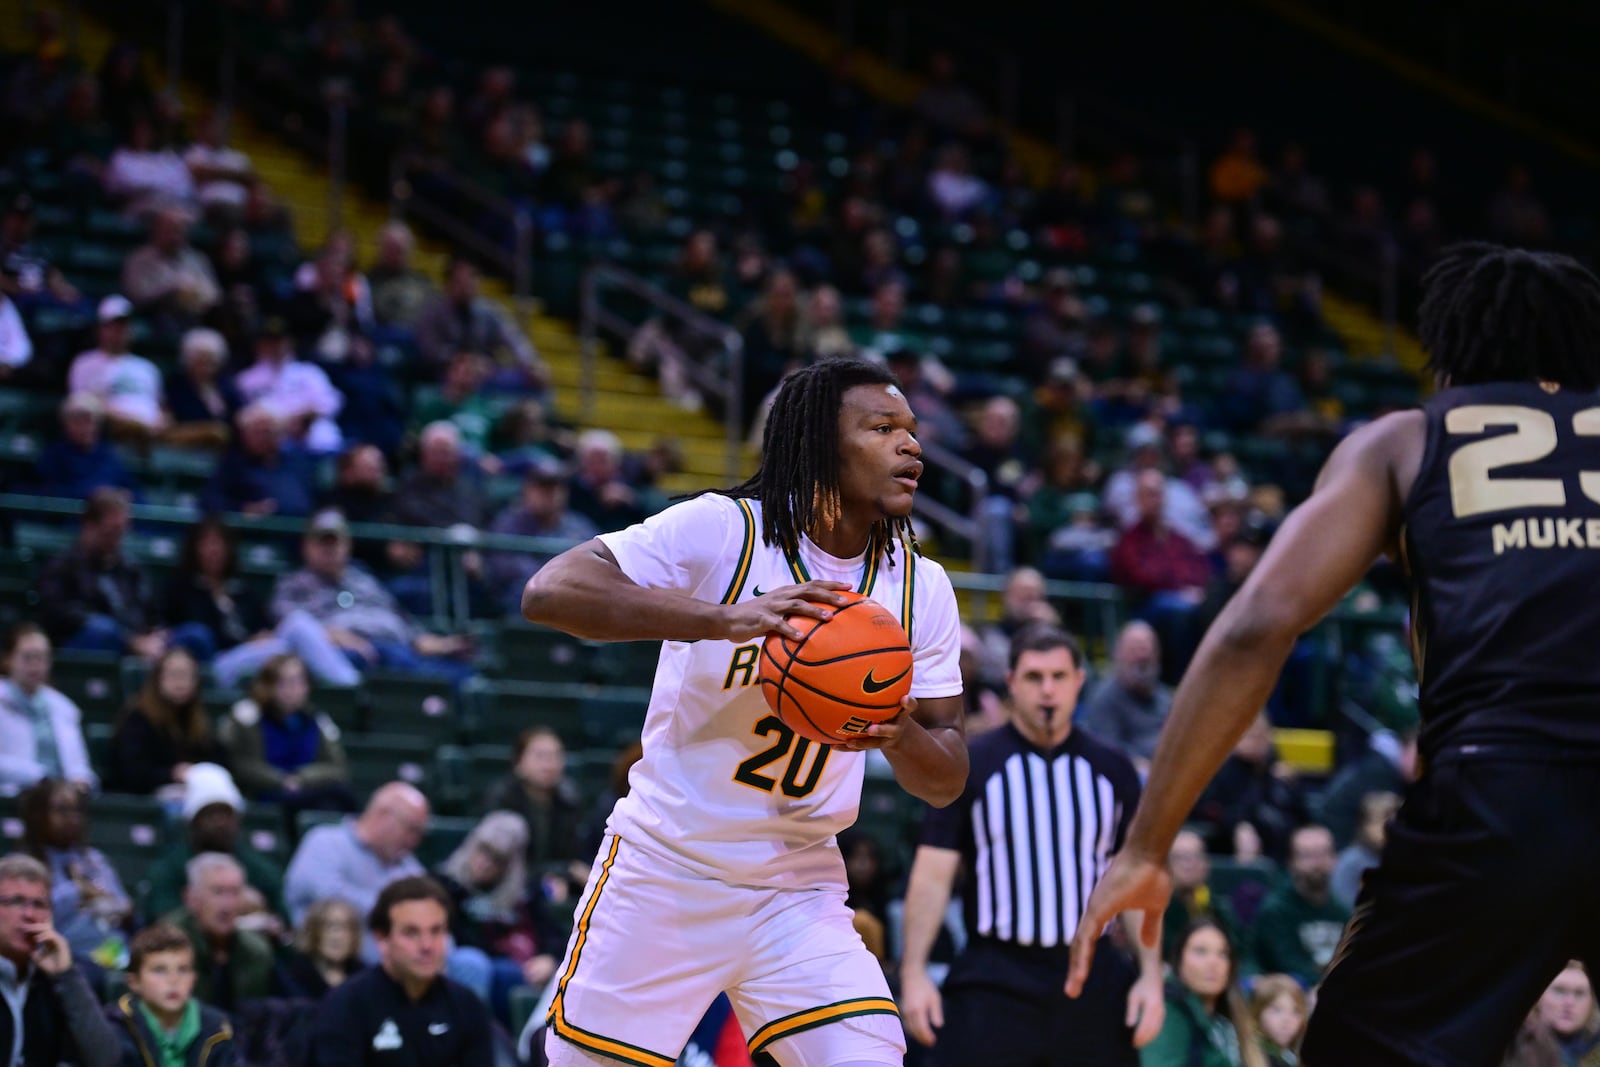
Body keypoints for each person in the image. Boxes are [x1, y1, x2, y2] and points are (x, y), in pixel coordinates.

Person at [1069, 243, 1600, 1064]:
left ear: (1450, 358)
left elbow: (1257, 625)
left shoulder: (1408, 438)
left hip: (1501, 791)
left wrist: (1145, 845)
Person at [522, 358, 967, 1066]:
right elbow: (550, 591)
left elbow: (945, 777)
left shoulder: (921, 586)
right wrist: (722, 619)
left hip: (797, 884)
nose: (910, 445)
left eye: (911, 431)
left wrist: (899, 730)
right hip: (667, 869)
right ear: (820, 442)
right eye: (882, 428)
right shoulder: (725, 531)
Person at [899, 625, 1162, 1065]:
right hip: (995, 973)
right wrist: (913, 973)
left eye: (1059, 677)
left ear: (1079, 682)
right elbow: (932, 873)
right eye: (1034, 677)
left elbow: (1135, 883)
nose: (1048, 691)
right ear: (1011, 683)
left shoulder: (1113, 770)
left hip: (1090, 973)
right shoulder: (970, 765)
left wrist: (1151, 975)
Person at [308, 876, 494, 1067]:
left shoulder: (466, 1005)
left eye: (436, 931)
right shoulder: (346, 1005)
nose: (427, 945)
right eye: (411, 932)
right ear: (382, 939)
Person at [165, 517, 361, 691]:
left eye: (219, 543)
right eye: (207, 543)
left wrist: (262, 636)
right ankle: (351, 687)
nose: (214, 550)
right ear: (194, 548)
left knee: (297, 626)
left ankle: (349, 685)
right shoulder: (182, 590)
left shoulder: (243, 591)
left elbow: (264, 626)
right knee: (296, 631)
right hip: (218, 666)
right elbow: (189, 636)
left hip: (257, 656)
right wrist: (249, 641)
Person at [433, 811, 562, 1021]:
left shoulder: (525, 892)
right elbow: (456, 936)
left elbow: (553, 934)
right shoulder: (446, 884)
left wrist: (549, 959)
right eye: (482, 852)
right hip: (485, 969)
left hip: (527, 970)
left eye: (497, 860)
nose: (484, 863)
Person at [0, 853, 120, 1067]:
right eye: (16, 901)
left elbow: (105, 1060)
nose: (29, 914)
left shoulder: (58, 978)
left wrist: (67, 976)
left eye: (39, 904)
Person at [144, 763, 287, 921]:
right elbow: (161, 919)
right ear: (192, 822)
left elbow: (284, 925)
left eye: (226, 814)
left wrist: (261, 909)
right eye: (211, 814)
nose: (220, 822)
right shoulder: (169, 868)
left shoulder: (260, 869)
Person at [218, 653, 354, 811]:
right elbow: (241, 764)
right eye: (285, 682)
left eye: (299, 681)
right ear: (268, 685)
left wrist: (301, 778)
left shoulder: (317, 720)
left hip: (306, 791)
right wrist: (281, 780)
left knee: (339, 796)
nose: (293, 689)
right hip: (264, 795)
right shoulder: (247, 717)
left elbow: (338, 768)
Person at [283, 782, 429, 926]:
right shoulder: (325, 841)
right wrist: (400, 911)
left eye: (419, 833)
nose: (414, 840)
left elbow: (428, 908)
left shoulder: (405, 862)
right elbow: (332, 900)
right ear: (383, 815)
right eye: (411, 829)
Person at [19, 780, 132, 965]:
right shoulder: (23, 864)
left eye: (77, 811)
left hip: (108, 952)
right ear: (38, 814)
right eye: (62, 810)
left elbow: (122, 904)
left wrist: (104, 902)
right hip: (52, 955)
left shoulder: (92, 859)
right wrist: (79, 891)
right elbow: (31, 917)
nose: (72, 818)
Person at [104, 923, 236, 1067]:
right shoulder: (115, 1027)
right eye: (159, 970)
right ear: (134, 982)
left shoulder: (219, 1028)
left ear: (194, 978)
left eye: (183, 970)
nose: (173, 980)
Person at [1139, 920, 1267, 1067]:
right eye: (1200, 951)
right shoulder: (1166, 1011)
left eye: (1223, 954)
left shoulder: (1230, 1023)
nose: (1214, 962)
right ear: (1179, 960)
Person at [165, 853, 277, 1013]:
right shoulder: (168, 945)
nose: (227, 905)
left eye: (235, 892)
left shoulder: (256, 951)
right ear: (191, 898)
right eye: (218, 892)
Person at [106, 647, 225, 795]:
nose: (180, 682)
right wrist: (172, 774)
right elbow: (132, 773)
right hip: (145, 798)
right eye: (174, 675)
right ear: (158, 678)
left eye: (186, 675)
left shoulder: (198, 721)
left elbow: (220, 762)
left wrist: (196, 771)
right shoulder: (137, 719)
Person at [0, 623, 97, 795]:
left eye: (42, 657)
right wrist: (36, 775)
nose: (35, 665)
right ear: (8, 659)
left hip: (60, 801)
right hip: (12, 797)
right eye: (27, 657)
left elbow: (79, 766)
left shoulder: (64, 707)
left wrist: (82, 781)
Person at [481, 728, 584, 875]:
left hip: (552, 881)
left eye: (556, 756)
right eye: (540, 756)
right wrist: (564, 871)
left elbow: (570, 856)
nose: (549, 764)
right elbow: (502, 860)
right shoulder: (502, 799)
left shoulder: (570, 801)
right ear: (518, 763)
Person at [1078, 621, 1172, 770]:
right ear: (1118, 654)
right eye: (1135, 649)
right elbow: (1106, 750)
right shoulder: (1104, 698)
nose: (1142, 656)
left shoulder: (1164, 697)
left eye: (1147, 649)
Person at [284, 898, 365, 1001]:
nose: (337, 936)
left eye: (345, 928)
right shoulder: (295, 976)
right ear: (314, 931)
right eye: (329, 926)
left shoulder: (363, 977)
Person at [1535, 962, 1600, 1066]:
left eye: (1579, 993)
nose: (1569, 1002)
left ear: (1592, 1002)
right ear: (1539, 998)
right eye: (1559, 991)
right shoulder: (1515, 1048)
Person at [1250, 974, 1308, 1067]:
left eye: (1296, 1011)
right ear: (1258, 1011)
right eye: (1277, 1010)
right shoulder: (1249, 1054)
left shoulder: (1295, 1057)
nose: (1287, 1020)